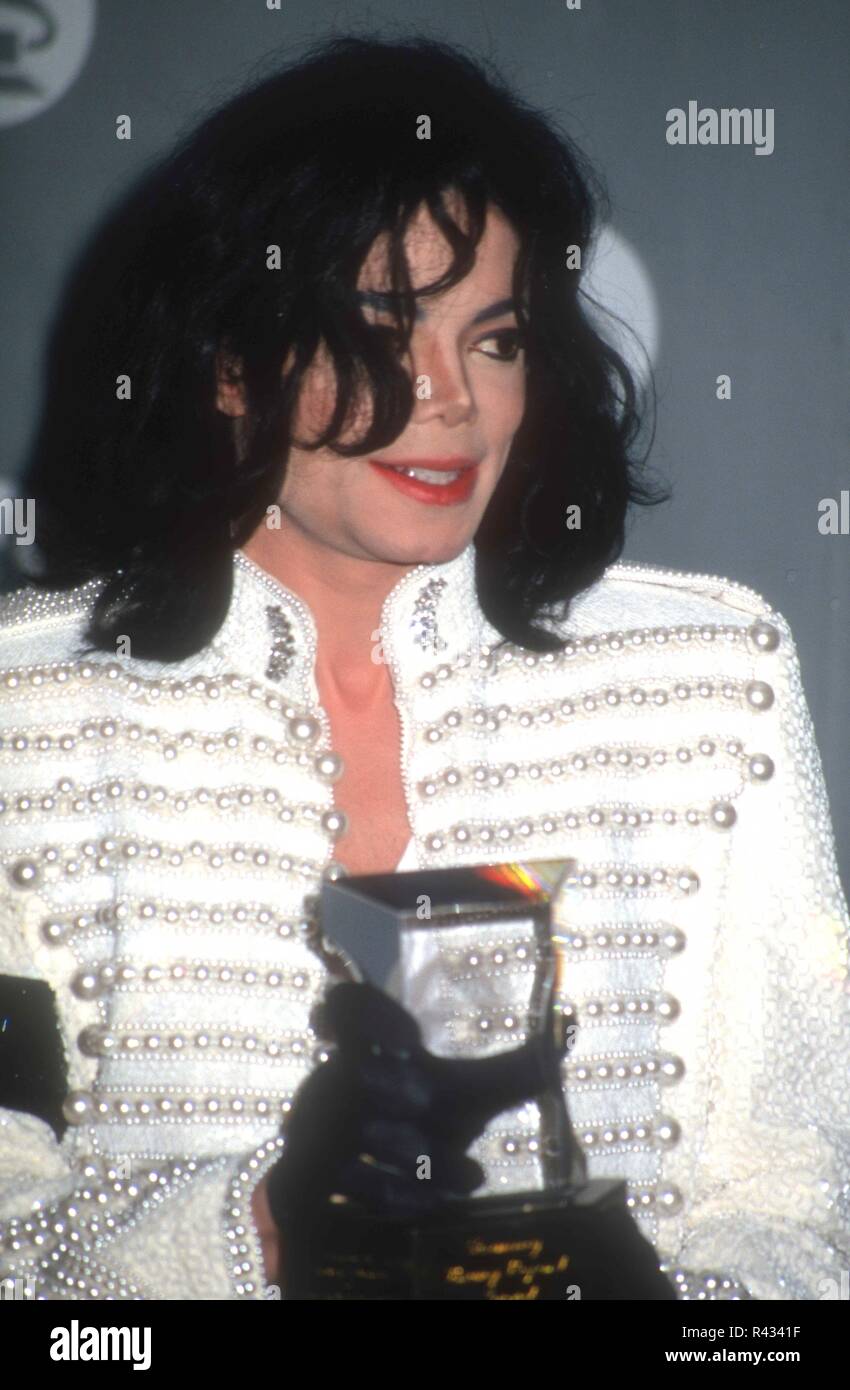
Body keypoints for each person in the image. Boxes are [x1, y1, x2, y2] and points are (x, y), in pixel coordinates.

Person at [0, 34, 848, 1302]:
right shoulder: (29, 715)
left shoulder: (709, 678)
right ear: (230, 362)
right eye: (385, 326)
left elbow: (802, 1208)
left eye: (494, 339)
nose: (452, 397)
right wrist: (272, 1229)